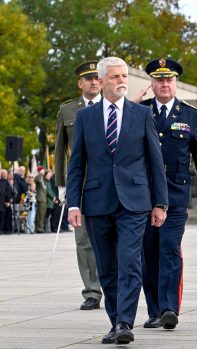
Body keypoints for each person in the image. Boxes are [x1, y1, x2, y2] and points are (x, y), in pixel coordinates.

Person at [66, 56, 168, 345]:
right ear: (101, 81)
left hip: (135, 202)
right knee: (107, 268)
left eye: (124, 76)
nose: (122, 81)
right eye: (115, 77)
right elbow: (76, 165)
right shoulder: (85, 117)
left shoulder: (141, 114)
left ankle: (125, 321)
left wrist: (160, 203)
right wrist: (73, 204)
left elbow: (154, 161)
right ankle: (115, 321)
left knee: (130, 262)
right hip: (97, 202)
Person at [136, 58, 197, 330]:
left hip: (175, 194)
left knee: (169, 249)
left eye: (169, 80)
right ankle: (154, 310)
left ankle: (170, 308)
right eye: (159, 80)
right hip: (145, 195)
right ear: (152, 83)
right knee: (148, 252)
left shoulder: (190, 114)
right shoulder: (141, 111)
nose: (164, 84)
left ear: (175, 83)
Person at [54, 60, 103, 311]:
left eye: (97, 78)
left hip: (109, 182)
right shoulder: (69, 110)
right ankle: (92, 291)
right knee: (83, 240)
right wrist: (62, 186)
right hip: (81, 183)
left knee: (112, 238)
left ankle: (113, 285)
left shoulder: (113, 107)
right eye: (88, 79)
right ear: (80, 83)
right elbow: (60, 149)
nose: (94, 82)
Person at [34, 166, 48, 234]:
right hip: (40, 198)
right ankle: (39, 228)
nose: (44, 171)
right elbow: (36, 179)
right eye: (43, 170)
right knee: (40, 214)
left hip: (44, 198)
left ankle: (41, 227)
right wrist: (40, 173)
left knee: (42, 214)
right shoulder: (39, 177)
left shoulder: (43, 178)